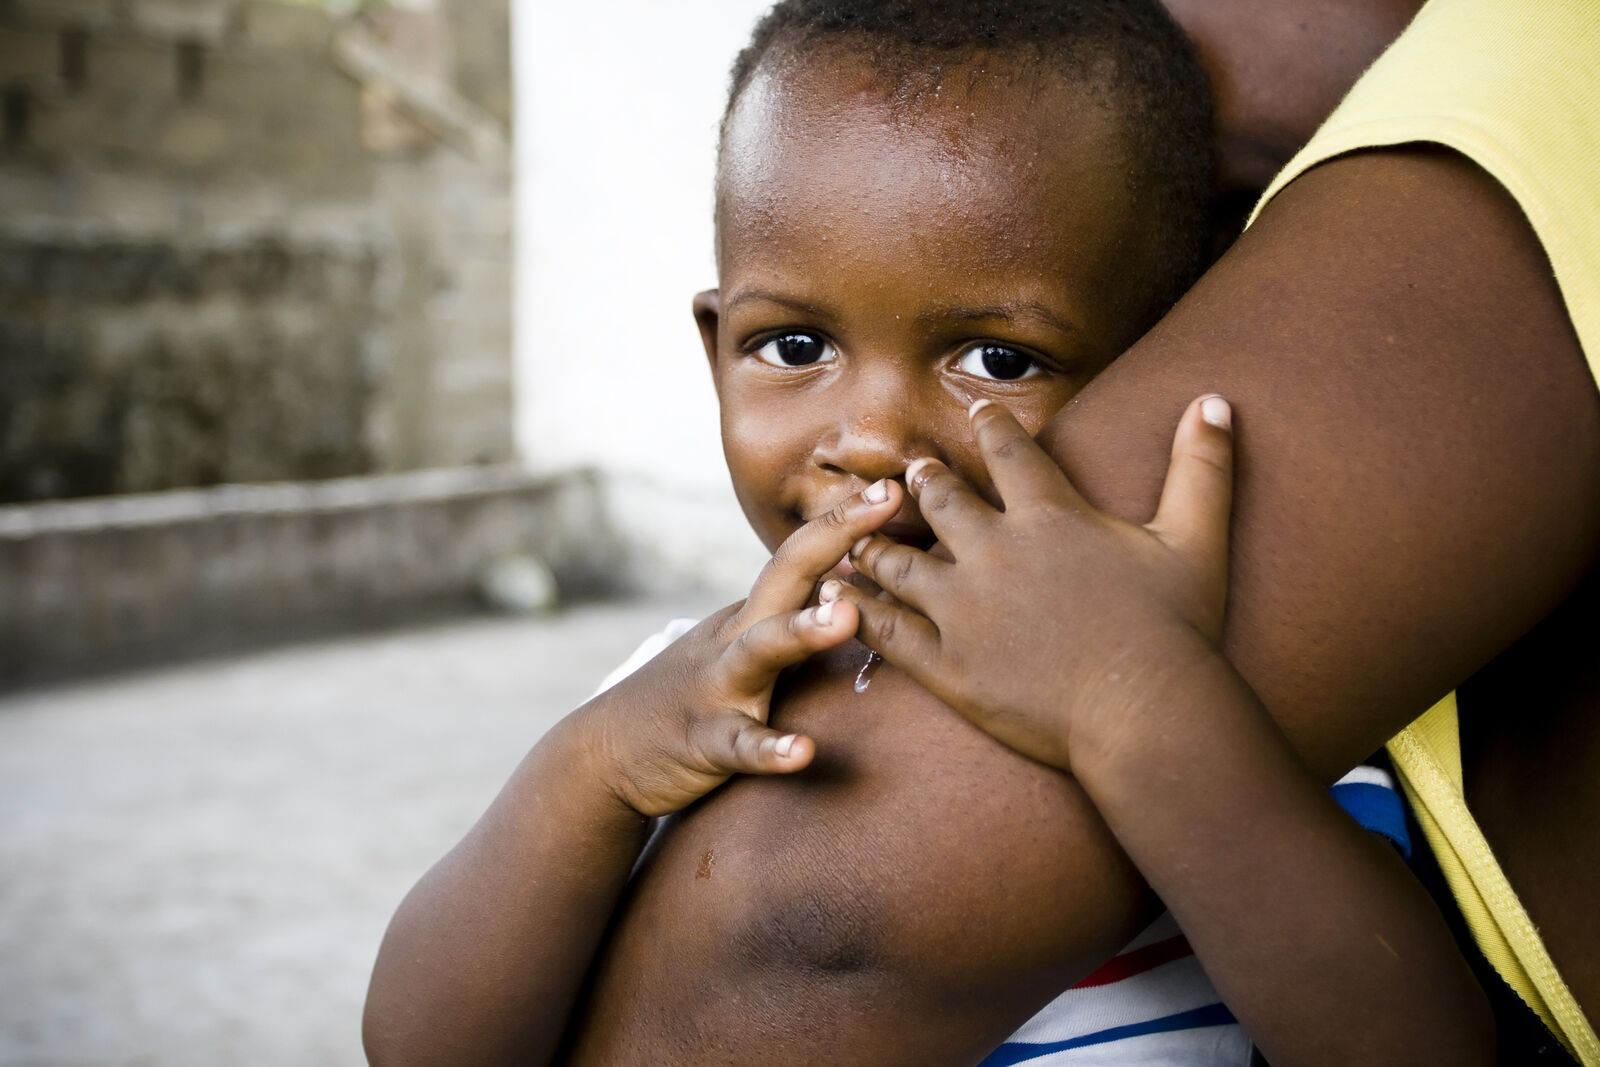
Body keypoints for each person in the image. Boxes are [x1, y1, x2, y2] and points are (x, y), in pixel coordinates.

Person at [363, 2, 1495, 1064]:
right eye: (794, 346)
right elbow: (425, 1044)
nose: (865, 436)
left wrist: (1131, 702)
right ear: (717, 350)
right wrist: (595, 767)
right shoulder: (685, 696)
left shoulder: (1248, 714)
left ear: (1156, 361)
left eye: (996, 360)